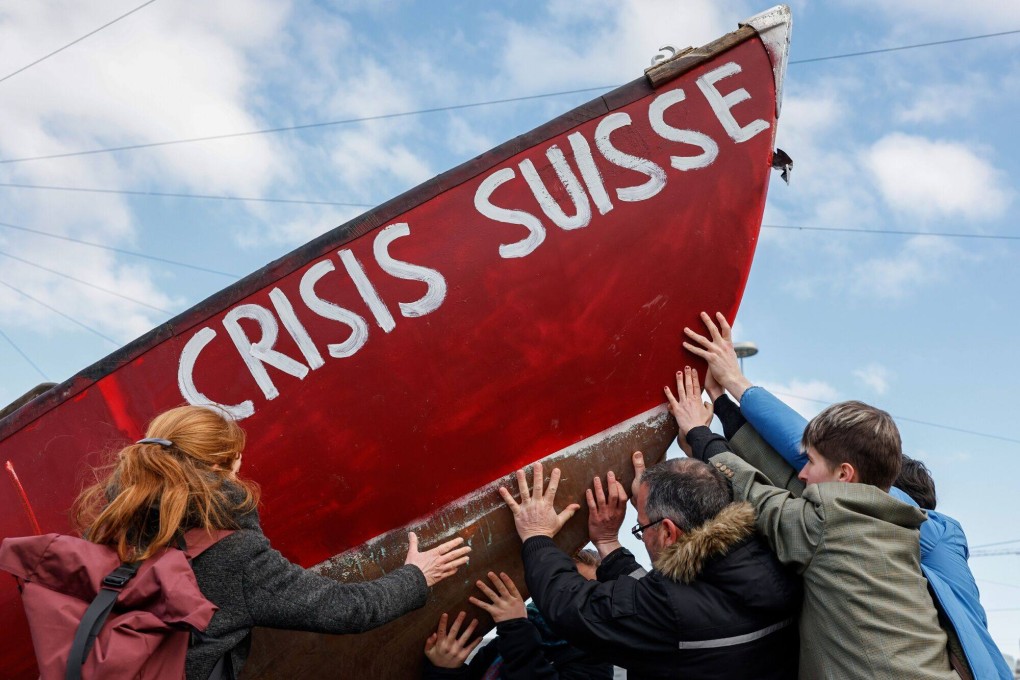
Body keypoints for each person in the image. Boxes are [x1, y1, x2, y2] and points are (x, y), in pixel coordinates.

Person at [682, 314, 1010, 679]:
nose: (803, 473)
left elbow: (778, 480)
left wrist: (725, 399)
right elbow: (795, 482)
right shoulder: (892, 533)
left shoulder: (929, 532)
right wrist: (721, 401)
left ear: (851, 478)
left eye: (813, 463)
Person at [72, 405, 471, 680]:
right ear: (219, 466)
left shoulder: (110, 533)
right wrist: (417, 575)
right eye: (238, 460)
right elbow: (349, 610)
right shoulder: (233, 554)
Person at [496, 460, 800, 679]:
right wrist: (607, 542)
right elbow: (656, 595)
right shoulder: (765, 555)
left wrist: (536, 535)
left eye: (641, 526)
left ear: (668, 532)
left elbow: (573, 607)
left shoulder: (673, 611)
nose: (641, 532)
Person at [422, 551, 613, 679]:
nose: (567, 594)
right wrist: (445, 670)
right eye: (560, 584)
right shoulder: (507, 641)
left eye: (583, 590)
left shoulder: (594, 659)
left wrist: (516, 627)